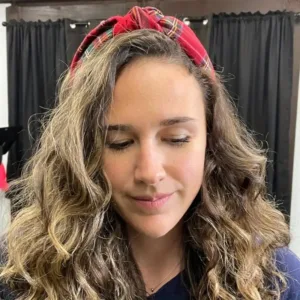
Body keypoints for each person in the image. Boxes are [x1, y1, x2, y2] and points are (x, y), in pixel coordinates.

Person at [0, 6, 300, 300]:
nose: (150, 172)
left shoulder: (275, 279)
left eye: (177, 139)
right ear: (82, 149)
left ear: (212, 141)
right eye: (119, 142)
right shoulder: (22, 274)